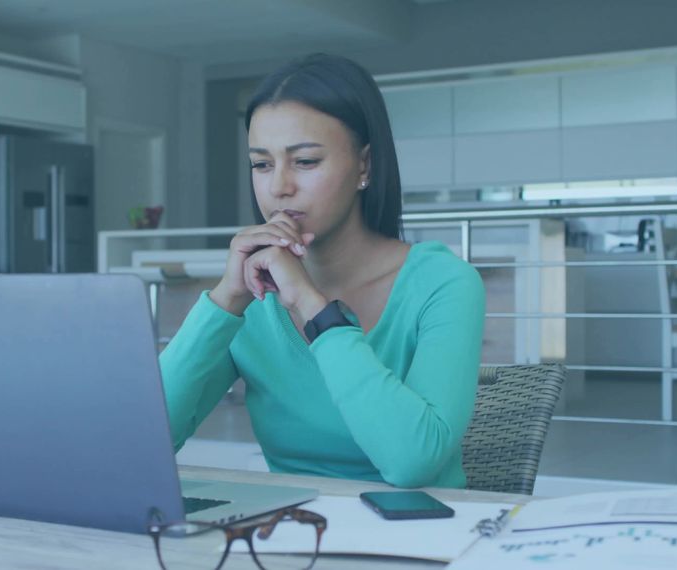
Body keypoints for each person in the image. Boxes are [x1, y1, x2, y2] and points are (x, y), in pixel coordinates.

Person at [159, 53, 485, 488]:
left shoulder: (443, 283)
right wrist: (226, 299)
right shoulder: (254, 297)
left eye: (306, 161)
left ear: (364, 166)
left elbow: (412, 463)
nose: (278, 187)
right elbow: (144, 440)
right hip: (291, 537)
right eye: (262, 164)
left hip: (417, 541)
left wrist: (312, 305)